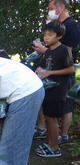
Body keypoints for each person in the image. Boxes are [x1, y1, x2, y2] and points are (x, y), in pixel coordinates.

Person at [33, 0, 80, 143]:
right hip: (50, 83)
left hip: (62, 81)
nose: (48, 8)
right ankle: (50, 137)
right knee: (49, 114)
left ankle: (60, 139)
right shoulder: (53, 28)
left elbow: (69, 59)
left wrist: (46, 52)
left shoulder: (71, 26)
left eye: (51, 6)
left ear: (61, 7)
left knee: (65, 106)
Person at [35, 21, 74, 158]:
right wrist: (39, 69)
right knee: (48, 118)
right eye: (45, 35)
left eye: (50, 35)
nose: (46, 38)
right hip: (48, 90)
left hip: (58, 91)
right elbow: (42, 66)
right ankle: (50, 143)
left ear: (59, 36)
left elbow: (70, 69)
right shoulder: (48, 51)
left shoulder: (64, 50)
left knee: (52, 120)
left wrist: (50, 73)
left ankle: (55, 147)